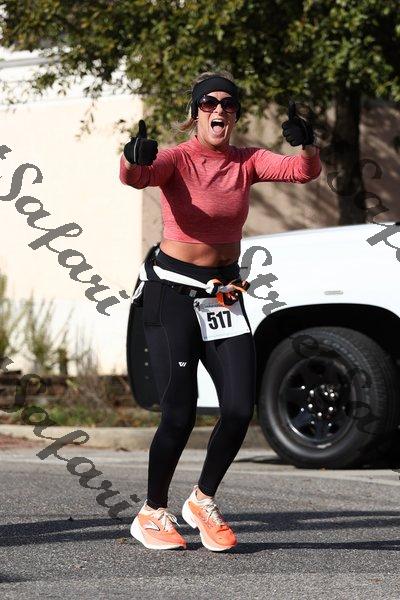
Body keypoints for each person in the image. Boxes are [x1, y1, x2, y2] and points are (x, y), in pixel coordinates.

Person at [120, 70, 322, 552]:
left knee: (237, 407)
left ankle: (202, 500)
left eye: (228, 104)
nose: (219, 110)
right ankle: (151, 512)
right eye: (209, 103)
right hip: (171, 294)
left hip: (222, 295)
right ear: (194, 113)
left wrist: (308, 146)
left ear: (235, 115)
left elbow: (303, 172)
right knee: (179, 413)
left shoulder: (246, 160)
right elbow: (137, 176)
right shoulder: (177, 158)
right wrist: (132, 157)